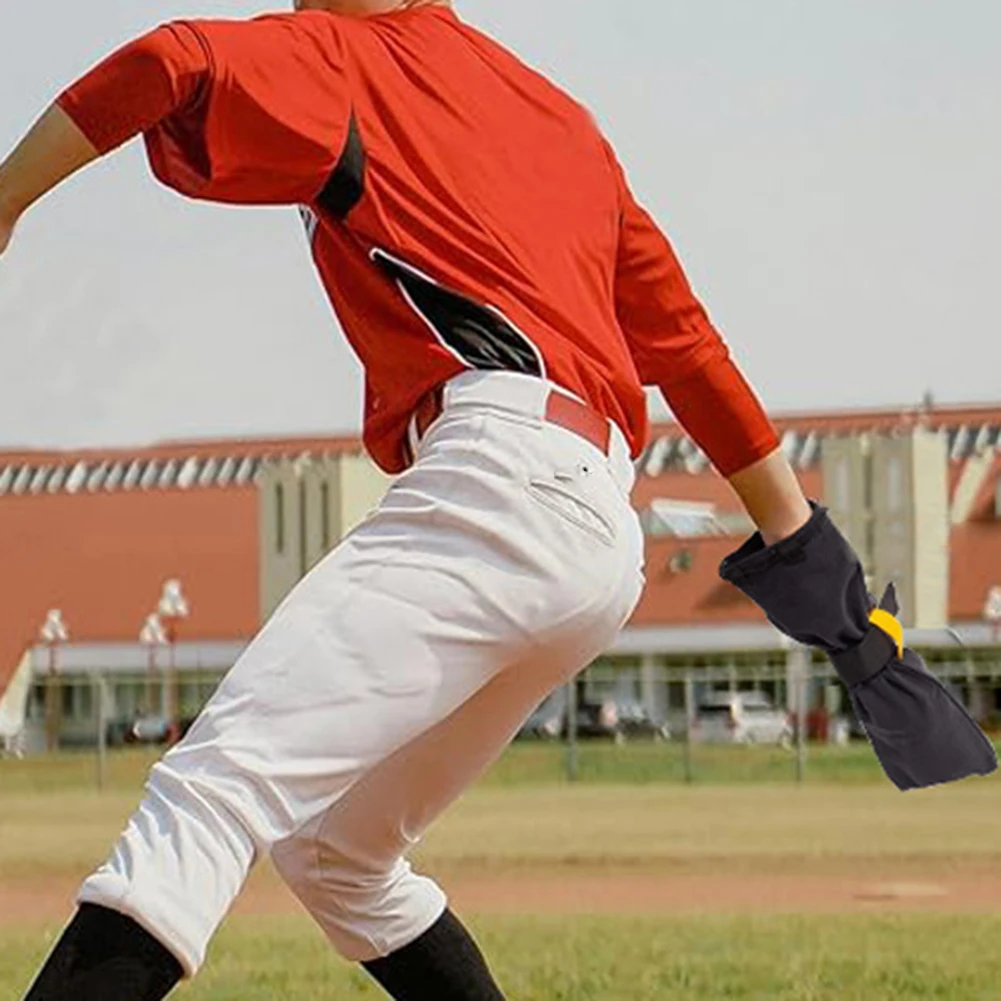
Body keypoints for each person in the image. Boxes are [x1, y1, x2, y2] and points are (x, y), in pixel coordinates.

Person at [1, 1, 814, 998]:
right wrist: (798, 535)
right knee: (340, 853)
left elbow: (169, 61)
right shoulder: (555, 115)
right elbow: (683, 346)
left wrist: (4, 200)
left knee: (214, 784)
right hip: (596, 527)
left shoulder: (342, 52)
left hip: (498, 475)